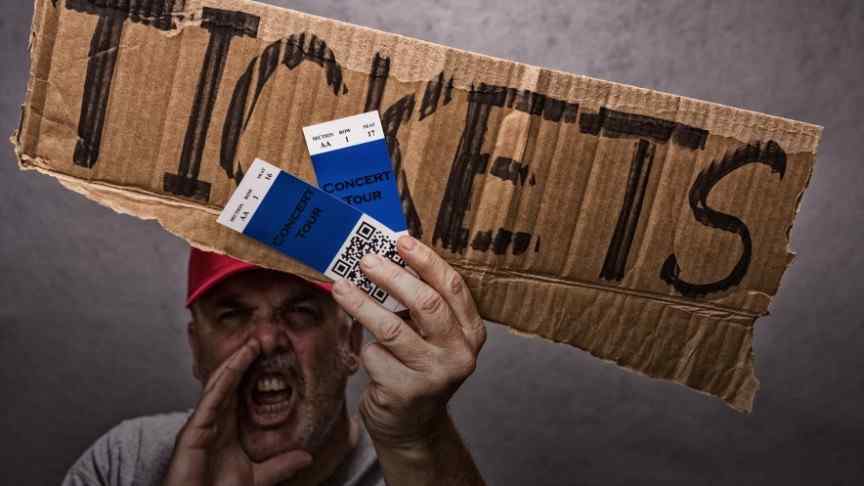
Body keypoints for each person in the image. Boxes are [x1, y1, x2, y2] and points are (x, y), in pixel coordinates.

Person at [62, 235, 487, 486]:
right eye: (232, 314)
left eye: (299, 312)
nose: (266, 339)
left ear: (350, 341)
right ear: (195, 349)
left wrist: (418, 439)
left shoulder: (415, 474)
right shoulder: (125, 463)